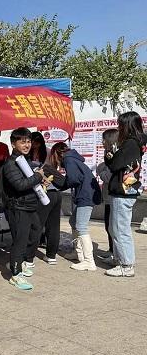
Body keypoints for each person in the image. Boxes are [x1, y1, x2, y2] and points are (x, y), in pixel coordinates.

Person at [1, 128, 46, 290]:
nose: (27, 145)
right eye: (22, 142)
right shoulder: (11, 164)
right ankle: (16, 274)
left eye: (28, 141)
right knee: (20, 240)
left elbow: (30, 182)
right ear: (13, 144)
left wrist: (40, 181)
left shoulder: (24, 160)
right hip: (18, 207)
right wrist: (38, 177)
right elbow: (20, 185)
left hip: (30, 205)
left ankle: (19, 262)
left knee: (35, 232)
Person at [104, 112, 146, 277]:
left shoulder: (130, 143)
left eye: (120, 125)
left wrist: (109, 155)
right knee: (114, 228)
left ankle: (126, 265)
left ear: (127, 126)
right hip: (124, 190)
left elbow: (115, 164)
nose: (118, 128)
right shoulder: (135, 143)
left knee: (120, 229)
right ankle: (118, 258)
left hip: (123, 191)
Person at [51, 142, 102, 271]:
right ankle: (78, 253)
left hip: (86, 195)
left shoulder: (68, 159)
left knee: (81, 226)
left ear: (57, 154)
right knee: (73, 222)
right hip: (87, 193)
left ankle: (89, 261)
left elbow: (73, 179)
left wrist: (58, 181)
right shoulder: (73, 158)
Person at [37, 147, 67, 265]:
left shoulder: (44, 155)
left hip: (45, 193)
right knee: (54, 226)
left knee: (37, 224)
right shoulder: (49, 153)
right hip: (56, 193)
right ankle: (51, 256)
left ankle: (28, 257)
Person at [95, 129, 118, 263]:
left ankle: (115, 254)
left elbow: (107, 176)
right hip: (108, 197)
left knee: (113, 227)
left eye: (104, 139)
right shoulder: (108, 154)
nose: (102, 142)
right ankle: (111, 251)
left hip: (114, 197)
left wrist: (100, 170)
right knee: (108, 226)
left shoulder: (115, 155)